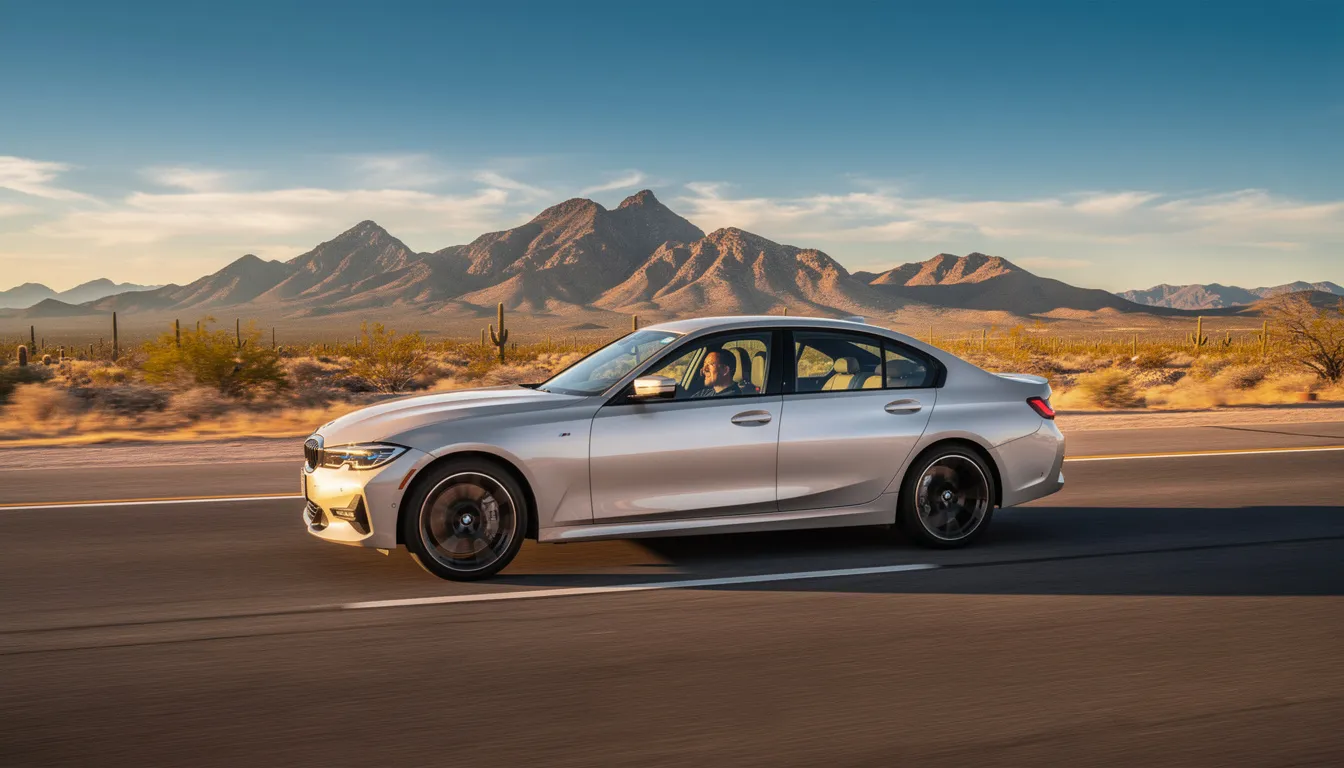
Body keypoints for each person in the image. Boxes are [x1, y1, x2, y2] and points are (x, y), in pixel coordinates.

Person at [690, 348, 757, 398]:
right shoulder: (704, 393)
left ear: (725, 370)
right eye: (704, 364)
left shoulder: (732, 399)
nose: (704, 369)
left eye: (710, 364)